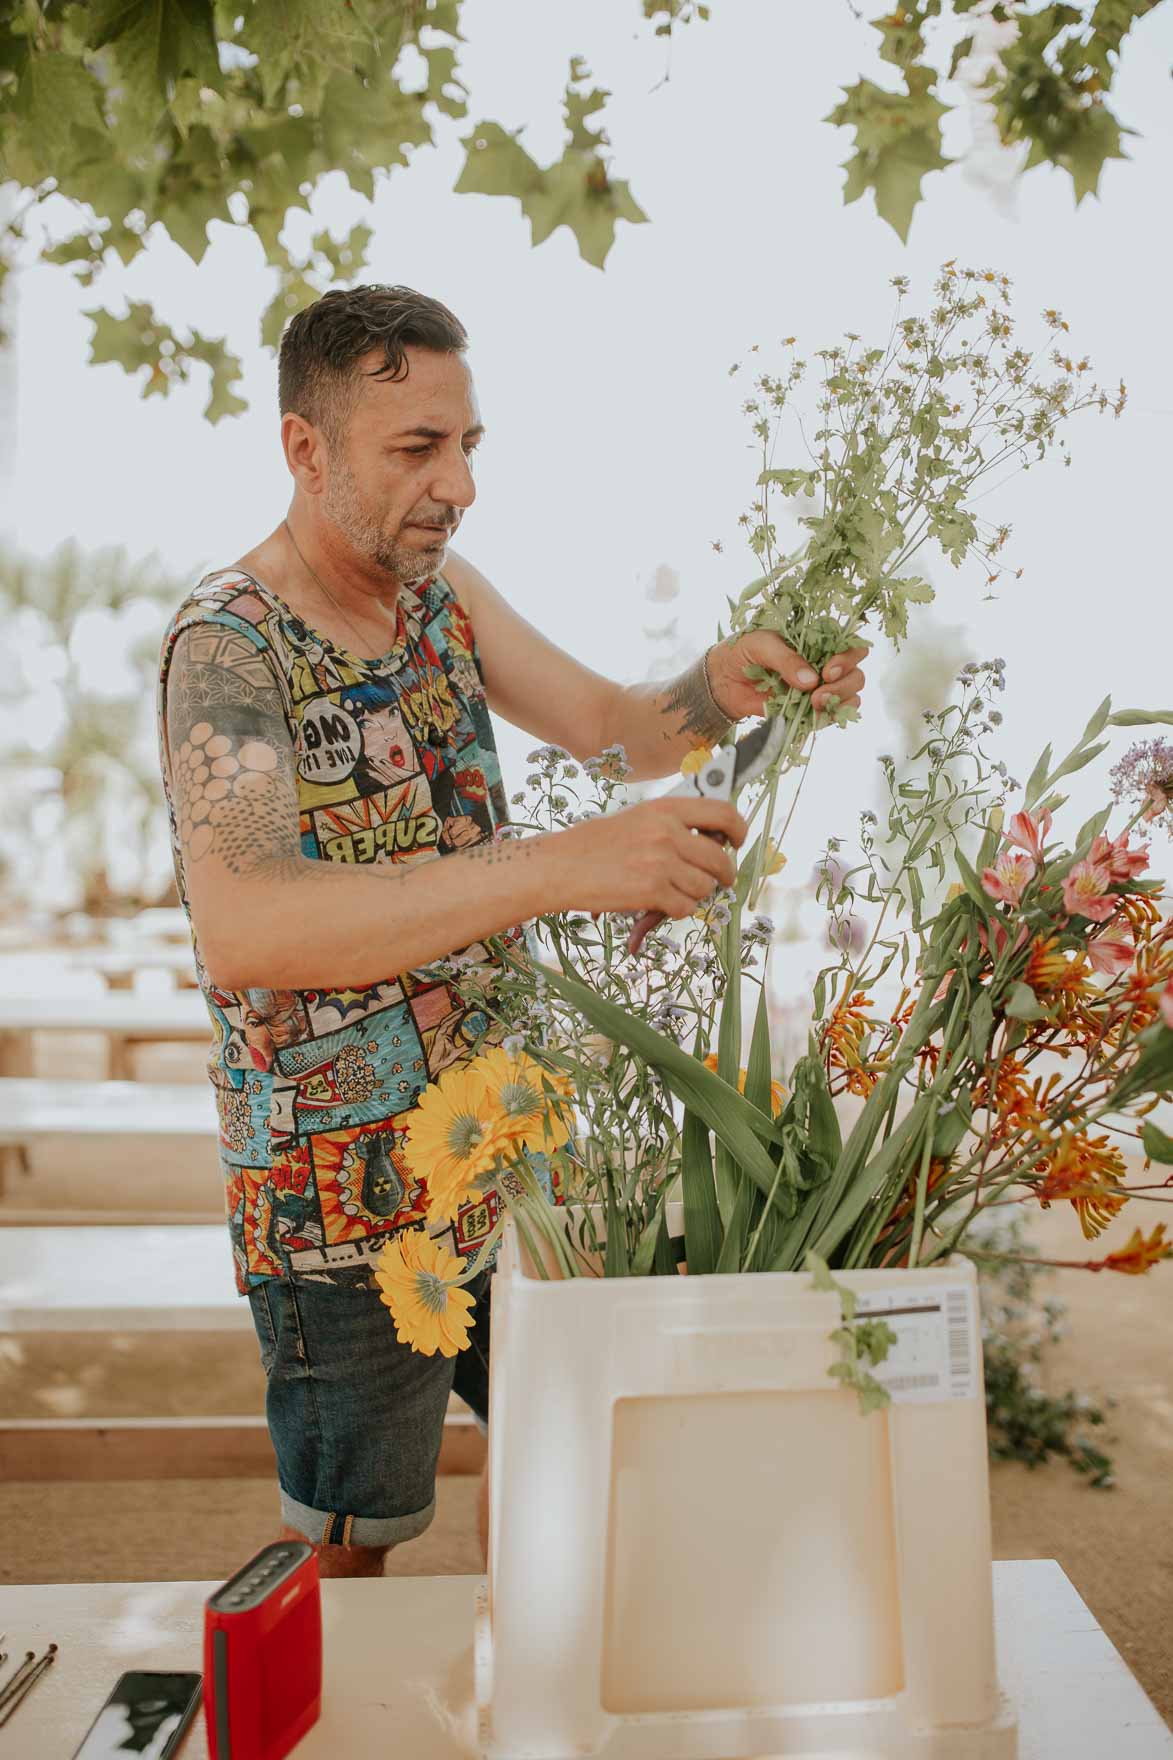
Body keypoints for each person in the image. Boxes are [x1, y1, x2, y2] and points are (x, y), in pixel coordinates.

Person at [156, 283, 868, 1580]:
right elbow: (248, 929)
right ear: (304, 451)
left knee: (567, 1456)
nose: (459, 486)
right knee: (347, 1544)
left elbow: (614, 726)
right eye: (415, 450)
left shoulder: (448, 598)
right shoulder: (225, 647)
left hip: (505, 1159)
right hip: (339, 1208)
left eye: (468, 445)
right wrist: (555, 868)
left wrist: (727, 683)